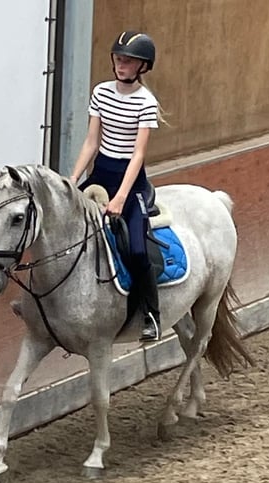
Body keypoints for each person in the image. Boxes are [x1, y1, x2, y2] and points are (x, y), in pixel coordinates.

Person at [70, 30, 164, 341]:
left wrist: (122, 197)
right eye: (118, 59)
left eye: (128, 61)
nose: (121, 65)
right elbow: (91, 142)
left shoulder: (146, 102)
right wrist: (72, 180)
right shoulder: (101, 93)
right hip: (100, 175)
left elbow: (138, 154)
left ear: (142, 66)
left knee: (136, 249)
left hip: (131, 182)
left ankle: (151, 313)